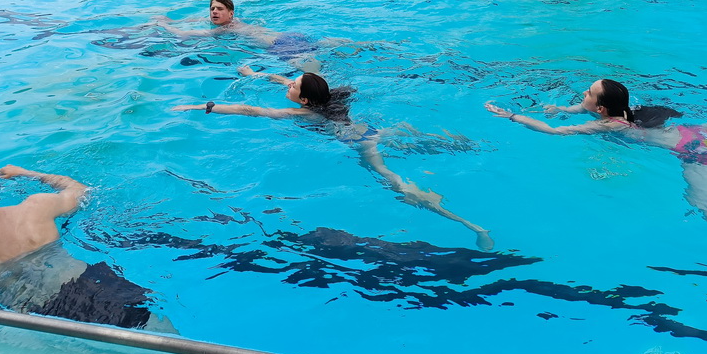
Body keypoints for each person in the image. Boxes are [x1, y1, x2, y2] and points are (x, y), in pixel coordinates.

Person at [485, 79, 707, 264]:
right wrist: (560, 109)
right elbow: (579, 108)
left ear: (601, 109)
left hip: (698, 152)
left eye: (588, 93)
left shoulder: (608, 124)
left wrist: (512, 116)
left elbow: (553, 132)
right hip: (699, 132)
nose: (583, 94)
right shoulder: (620, 108)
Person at [174, 69, 494, 250]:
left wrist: (203, 107)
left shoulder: (302, 113)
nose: (290, 82)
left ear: (304, 99)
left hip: (360, 144)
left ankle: (470, 224)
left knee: (395, 182)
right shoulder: (329, 96)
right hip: (374, 129)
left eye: (295, 84)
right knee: (419, 140)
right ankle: (469, 145)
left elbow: (250, 110)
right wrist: (255, 74)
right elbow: (287, 82)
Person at [0, 151, 169, 329]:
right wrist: (25, 172)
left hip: (45, 318)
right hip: (100, 286)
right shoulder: (35, 209)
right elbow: (80, 190)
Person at [154, 0, 321, 70]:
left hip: (279, 47)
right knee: (322, 47)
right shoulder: (236, 21)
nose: (214, 12)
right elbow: (197, 20)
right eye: (212, 9)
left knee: (310, 72)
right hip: (288, 36)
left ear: (230, 14)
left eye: (219, 9)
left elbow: (182, 34)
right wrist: (171, 20)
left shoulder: (224, 29)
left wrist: (162, 24)